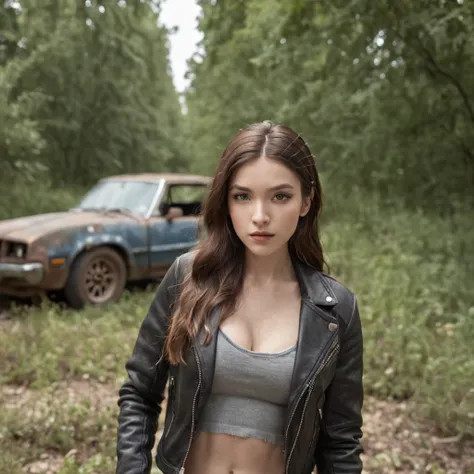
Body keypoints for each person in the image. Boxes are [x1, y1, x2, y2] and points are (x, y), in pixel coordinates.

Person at [116, 122, 364, 474]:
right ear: (226, 201)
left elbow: (341, 440)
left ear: (306, 201)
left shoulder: (335, 310)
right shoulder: (188, 278)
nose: (260, 216)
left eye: (280, 196)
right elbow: (140, 393)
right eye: (242, 196)